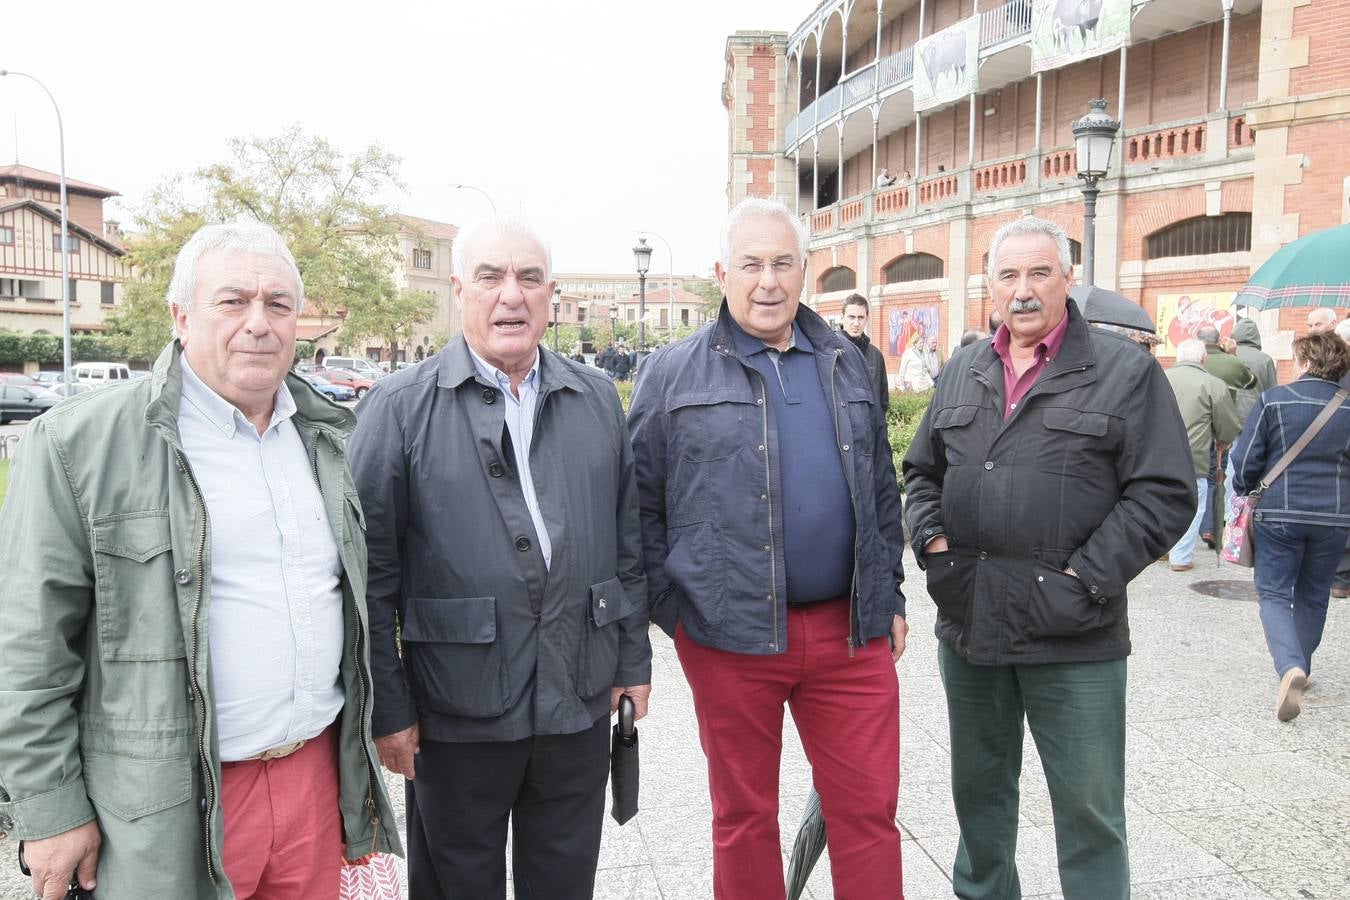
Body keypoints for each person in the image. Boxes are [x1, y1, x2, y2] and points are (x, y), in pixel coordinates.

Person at [0, 222, 399, 900]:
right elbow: (29, 647)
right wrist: (51, 808)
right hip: (164, 805)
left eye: (278, 304)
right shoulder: (77, 445)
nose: (259, 324)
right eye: (232, 301)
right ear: (180, 316)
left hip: (313, 781)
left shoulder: (325, 439)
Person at [349, 215, 651, 900]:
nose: (510, 295)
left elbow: (627, 545)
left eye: (529, 278)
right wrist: (388, 708)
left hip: (576, 699)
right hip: (457, 709)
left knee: (564, 884)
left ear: (551, 294)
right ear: (460, 290)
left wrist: (632, 661)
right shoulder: (399, 408)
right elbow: (369, 579)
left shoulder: (597, 399)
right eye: (490, 277)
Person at [903, 216, 1193, 900]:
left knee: (1089, 813)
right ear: (991, 289)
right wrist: (935, 547)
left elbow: (1165, 492)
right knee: (980, 803)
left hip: (1075, 635)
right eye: (1009, 276)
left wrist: (1085, 577)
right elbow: (921, 474)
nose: (1024, 291)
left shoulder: (1125, 373)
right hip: (971, 630)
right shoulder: (964, 368)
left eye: (1040, 273)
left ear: (1068, 280)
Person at [629, 197, 907, 900]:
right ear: (722, 272)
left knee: (867, 814)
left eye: (783, 263)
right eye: (751, 264)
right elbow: (638, 506)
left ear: (805, 270)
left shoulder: (848, 361)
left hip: (849, 635)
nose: (768, 281)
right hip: (729, 638)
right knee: (744, 815)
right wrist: (678, 614)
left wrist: (890, 592)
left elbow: (880, 487)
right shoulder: (673, 373)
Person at [1232, 332, 1350, 721]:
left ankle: (1290, 667)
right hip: (1334, 516)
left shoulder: (1275, 399)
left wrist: (1243, 490)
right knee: (1315, 594)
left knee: (1274, 593)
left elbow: (1248, 458)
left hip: (1279, 511)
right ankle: (1302, 664)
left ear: (1305, 362)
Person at [1164, 339, 1243, 572]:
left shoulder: (1160, 377)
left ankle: (1160, 548)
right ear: (1203, 358)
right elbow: (1227, 425)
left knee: (1160, 500)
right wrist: (1224, 439)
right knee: (1193, 504)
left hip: (1156, 454)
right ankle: (1179, 557)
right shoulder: (1213, 383)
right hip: (1194, 456)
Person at [838, 292, 890, 409]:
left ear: (867, 319)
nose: (856, 323)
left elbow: (882, 402)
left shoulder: (875, 356)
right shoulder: (830, 351)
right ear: (842, 317)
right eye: (851, 317)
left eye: (860, 318)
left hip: (869, 425)